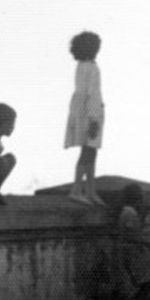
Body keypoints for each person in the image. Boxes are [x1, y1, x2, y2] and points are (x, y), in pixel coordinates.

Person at [64, 31, 105, 205]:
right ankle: (78, 189)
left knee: (89, 152)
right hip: (90, 113)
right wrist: (94, 119)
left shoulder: (81, 66)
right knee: (88, 152)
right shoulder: (92, 68)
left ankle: (90, 190)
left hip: (81, 111)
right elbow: (92, 94)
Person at [113, 184, 150, 300]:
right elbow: (131, 234)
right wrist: (145, 242)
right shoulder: (130, 213)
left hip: (129, 252)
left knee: (139, 285)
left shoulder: (127, 212)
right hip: (132, 253)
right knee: (145, 285)